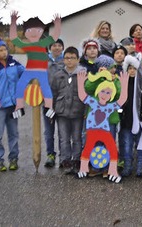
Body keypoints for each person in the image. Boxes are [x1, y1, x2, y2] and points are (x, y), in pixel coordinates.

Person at [76, 69, 129, 183]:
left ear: (111, 95)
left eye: (108, 92)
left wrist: (124, 85)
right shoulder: (93, 102)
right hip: (92, 130)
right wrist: (80, 82)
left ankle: (113, 170)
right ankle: (83, 168)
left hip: (104, 131)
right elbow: (82, 95)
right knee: (88, 148)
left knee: (112, 148)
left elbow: (122, 99)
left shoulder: (109, 107)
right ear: (98, 92)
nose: (105, 95)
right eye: (103, 91)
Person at [9, 12, 60, 118]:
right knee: (20, 85)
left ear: (41, 31)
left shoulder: (43, 43)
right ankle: (19, 107)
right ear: (25, 33)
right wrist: (13, 23)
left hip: (42, 71)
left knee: (45, 88)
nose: (33, 33)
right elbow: (13, 38)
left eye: (37, 30)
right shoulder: (26, 45)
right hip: (29, 70)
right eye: (29, 30)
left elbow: (55, 36)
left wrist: (57, 24)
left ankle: (49, 108)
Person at [0, 39, 25, 172]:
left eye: (5, 49)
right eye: (0, 50)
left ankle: (14, 159)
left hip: (13, 105)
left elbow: (24, 72)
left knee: (14, 134)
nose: (4, 52)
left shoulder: (14, 63)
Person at [49, 46, 86, 174]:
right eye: (67, 58)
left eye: (72, 58)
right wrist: (52, 109)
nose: (69, 61)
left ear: (78, 59)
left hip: (78, 112)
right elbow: (53, 93)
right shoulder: (58, 75)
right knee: (63, 138)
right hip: (62, 112)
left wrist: (86, 111)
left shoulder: (83, 75)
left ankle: (76, 160)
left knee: (76, 138)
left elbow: (87, 95)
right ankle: (65, 161)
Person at [118, 55, 142, 177]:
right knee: (127, 145)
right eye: (130, 69)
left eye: (134, 68)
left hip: (140, 120)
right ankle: (128, 166)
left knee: (140, 144)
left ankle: (140, 167)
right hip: (126, 120)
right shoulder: (122, 84)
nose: (132, 71)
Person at [44, 38, 64, 168]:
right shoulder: (44, 62)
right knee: (49, 130)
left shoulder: (66, 61)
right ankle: (50, 154)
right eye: (54, 46)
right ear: (50, 48)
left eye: (59, 45)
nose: (56, 48)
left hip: (62, 101)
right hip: (47, 101)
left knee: (63, 131)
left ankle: (64, 156)